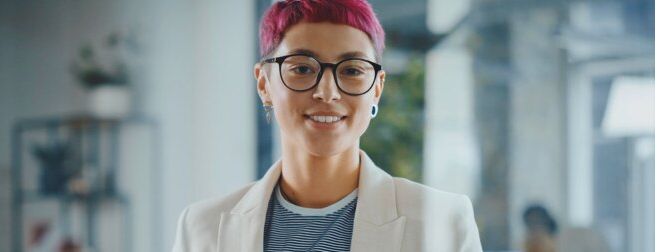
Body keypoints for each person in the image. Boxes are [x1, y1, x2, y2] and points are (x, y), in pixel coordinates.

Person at [172, 0, 482, 251]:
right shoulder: (202, 228)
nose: (327, 92)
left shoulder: (443, 223)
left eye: (352, 71)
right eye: (302, 68)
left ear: (376, 88)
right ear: (264, 84)